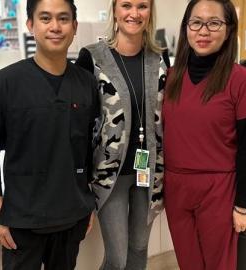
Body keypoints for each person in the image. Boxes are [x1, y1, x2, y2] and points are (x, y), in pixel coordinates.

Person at [0, 0, 98, 269]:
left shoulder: (86, 82)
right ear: (30, 24)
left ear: (74, 27)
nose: (55, 27)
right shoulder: (7, 82)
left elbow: (87, 146)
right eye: (45, 18)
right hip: (21, 220)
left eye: (63, 19)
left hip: (70, 215)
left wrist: (86, 199)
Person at [162, 0, 246, 269]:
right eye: (195, 22)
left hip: (218, 190)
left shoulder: (243, 81)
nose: (203, 30)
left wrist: (244, 205)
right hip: (176, 188)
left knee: (219, 265)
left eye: (214, 23)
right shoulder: (171, 77)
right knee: (188, 263)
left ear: (229, 29)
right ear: (186, 28)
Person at [75, 0, 169, 269]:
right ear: (114, 9)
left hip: (148, 172)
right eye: (126, 5)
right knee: (117, 258)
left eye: (142, 6)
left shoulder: (159, 58)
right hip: (109, 175)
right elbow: (80, 121)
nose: (134, 13)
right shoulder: (92, 57)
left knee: (139, 249)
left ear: (150, 12)